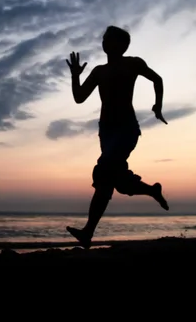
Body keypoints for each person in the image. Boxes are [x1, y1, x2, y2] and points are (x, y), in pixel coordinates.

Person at [66, 25, 169, 249]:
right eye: (103, 39)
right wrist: (75, 76)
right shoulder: (98, 71)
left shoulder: (133, 63)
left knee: (103, 172)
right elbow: (79, 98)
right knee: (114, 182)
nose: (104, 42)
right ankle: (152, 190)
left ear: (121, 45)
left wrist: (157, 106)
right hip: (106, 132)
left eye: (109, 39)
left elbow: (157, 79)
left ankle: (87, 233)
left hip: (126, 130)